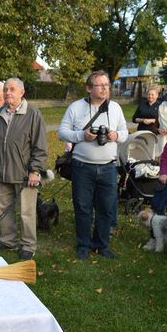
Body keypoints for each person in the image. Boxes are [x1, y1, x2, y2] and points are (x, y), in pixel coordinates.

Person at [58, 70, 128, 260]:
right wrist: (82, 135)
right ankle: (83, 245)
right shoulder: (75, 107)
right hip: (82, 167)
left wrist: (116, 135)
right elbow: (62, 132)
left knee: (105, 208)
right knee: (82, 207)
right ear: (89, 88)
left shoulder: (115, 108)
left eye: (107, 85)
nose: (105, 88)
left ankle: (102, 245)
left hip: (108, 167)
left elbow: (125, 132)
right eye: (100, 85)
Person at [0, 78, 48, 260]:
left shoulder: (33, 113)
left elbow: (40, 146)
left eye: (12, 89)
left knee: (27, 212)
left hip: (24, 174)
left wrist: (35, 170)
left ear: (22, 92)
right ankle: (8, 241)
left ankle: (28, 245)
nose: (7, 93)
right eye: (5, 89)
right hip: (2, 172)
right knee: (3, 209)